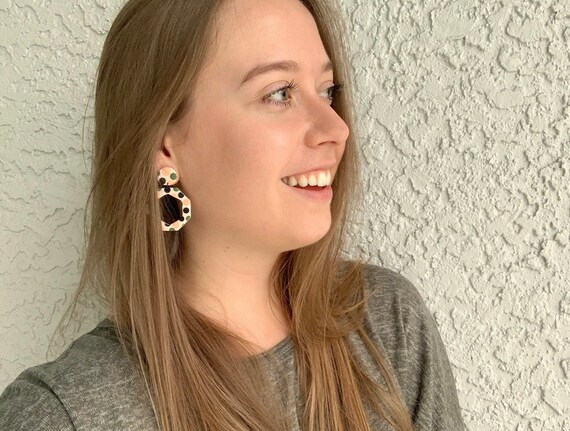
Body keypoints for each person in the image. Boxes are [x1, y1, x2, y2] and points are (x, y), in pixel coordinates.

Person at [0, 0, 466, 429]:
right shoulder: (62, 414)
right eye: (279, 93)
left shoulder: (386, 324)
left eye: (327, 90)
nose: (336, 127)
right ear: (164, 144)